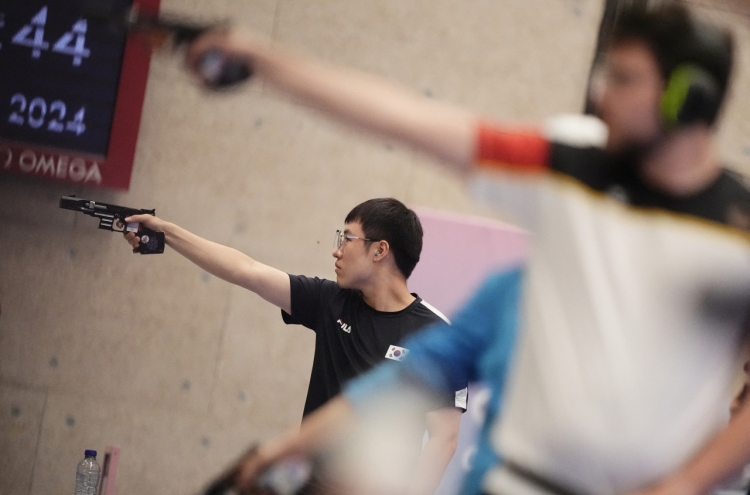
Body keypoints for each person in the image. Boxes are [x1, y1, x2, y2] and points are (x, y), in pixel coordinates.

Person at [184, 3, 750, 495]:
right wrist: (262, 60)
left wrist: (685, 485)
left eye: (625, 79)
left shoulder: (739, 238)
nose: (603, 95)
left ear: (688, 98)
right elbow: (412, 121)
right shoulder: (574, 166)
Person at [121, 198, 468, 495]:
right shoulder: (330, 302)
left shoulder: (436, 335)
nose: (337, 250)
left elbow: (443, 441)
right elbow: (246, 270)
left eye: (347, 238)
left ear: (379, 250)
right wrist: (168, 233)